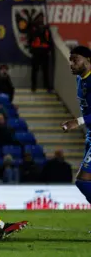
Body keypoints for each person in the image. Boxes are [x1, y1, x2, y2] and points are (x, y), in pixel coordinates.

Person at [61, 46, 91, 207]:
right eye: (70, 60)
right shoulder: (80, 79)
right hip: (90, 134)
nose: (71, 64)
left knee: (83, 181)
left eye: (76, 60)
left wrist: (77, 121)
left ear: (88, 60)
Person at [27, 15, 53, 92]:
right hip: (36, 52)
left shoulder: (47, 29)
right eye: (39, 19)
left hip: (44, 52)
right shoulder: (33, 29)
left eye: (42, 19)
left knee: (45, 70)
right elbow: (30, 39)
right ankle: (33, 86)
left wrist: (49, 50)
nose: (41, 20)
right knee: (35, 70)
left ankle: (47, 86)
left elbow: (49, 41)